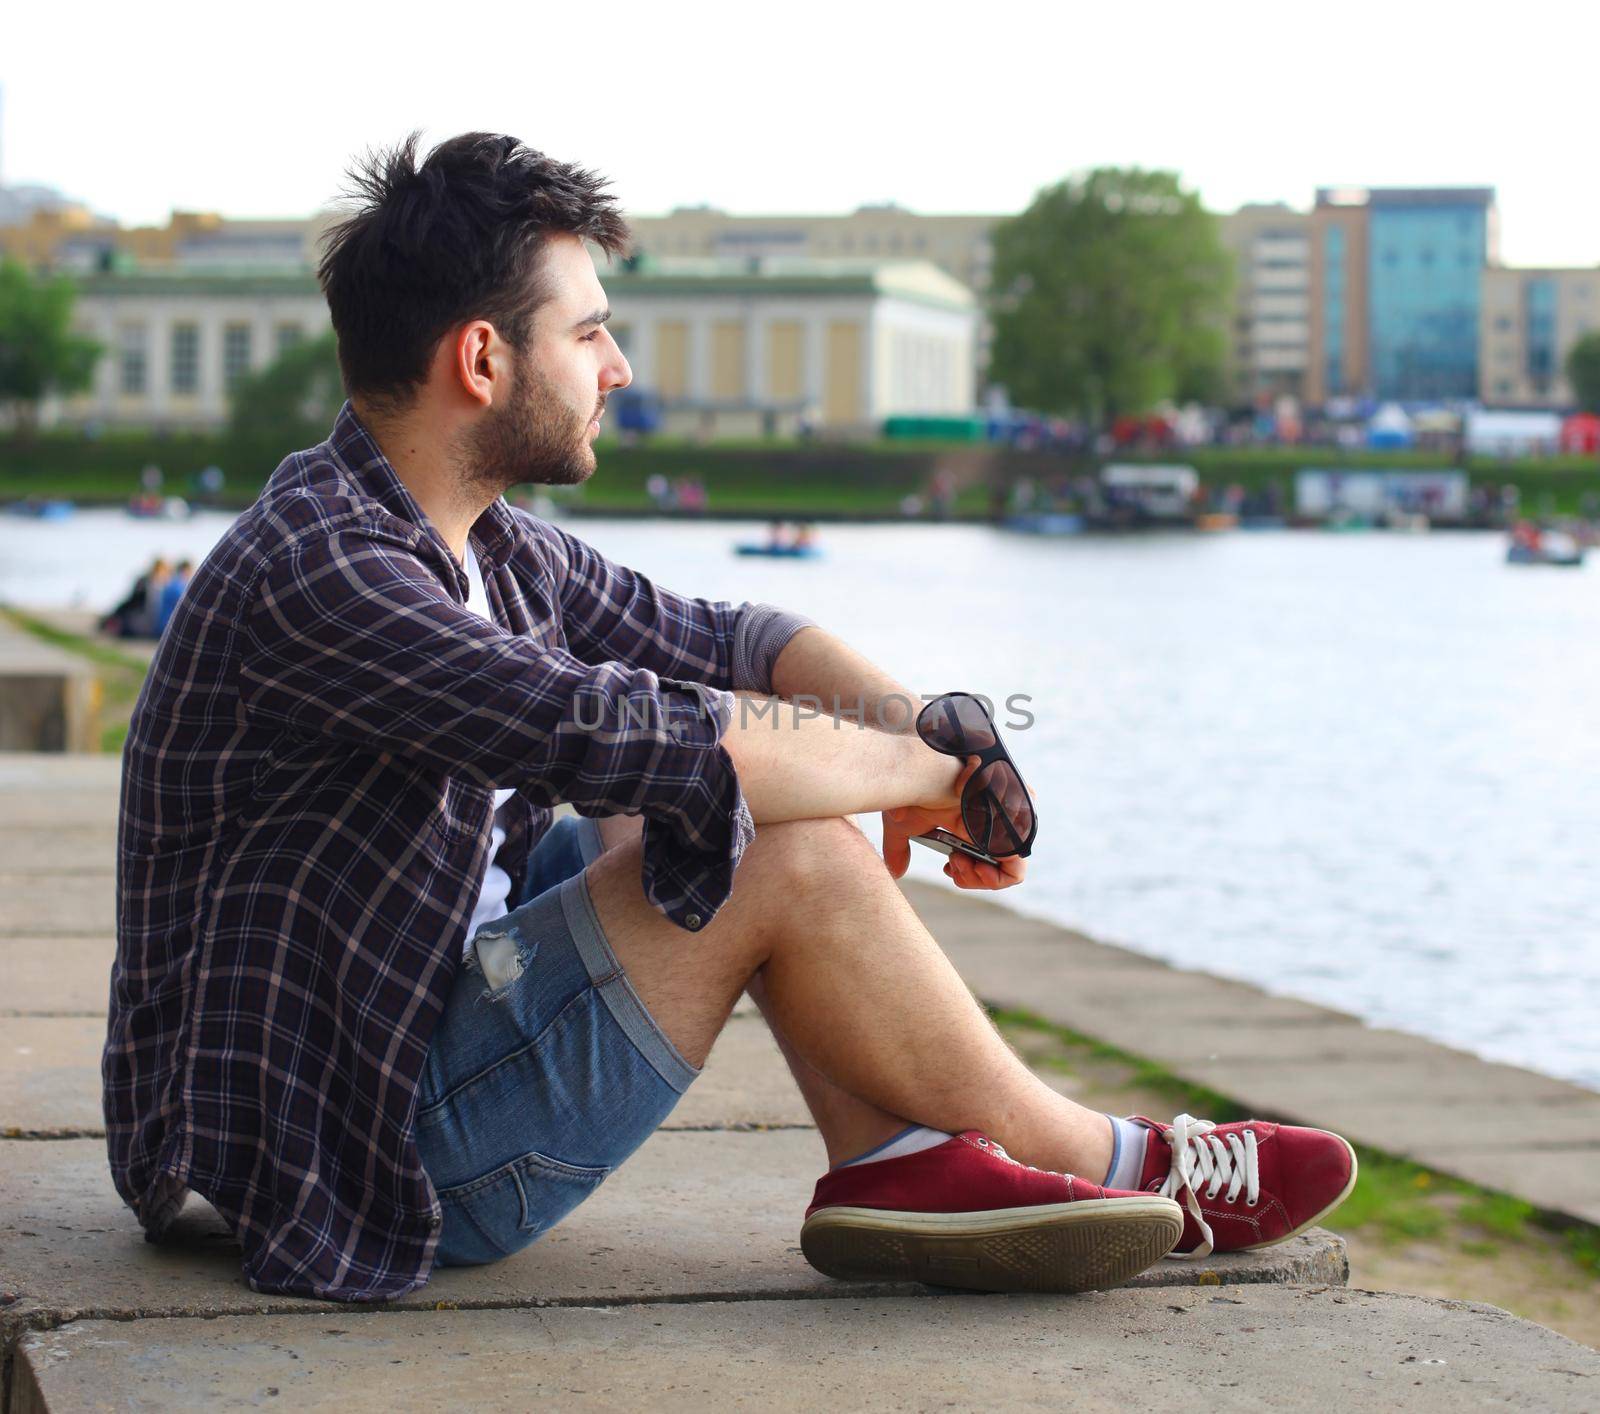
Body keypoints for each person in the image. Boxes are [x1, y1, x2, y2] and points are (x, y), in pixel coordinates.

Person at [105, 133, 1355, 1305]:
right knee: (767, 834)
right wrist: (898, 768)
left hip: (382, 1022)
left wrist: (943, 731)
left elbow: (724, 638)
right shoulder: (327, 571)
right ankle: (1127, 1161)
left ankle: (897, 1162)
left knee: (758, 813)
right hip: (328, 1145)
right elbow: (638, 734)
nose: (617, 368)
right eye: (588, 332)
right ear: (482, 361)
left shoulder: (488, 546)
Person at [153, 559, 194, 638]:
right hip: (168, 627)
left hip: (163, 626)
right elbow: (188, 604)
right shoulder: (177, 586)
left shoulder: (172, 584)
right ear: (185, 571)